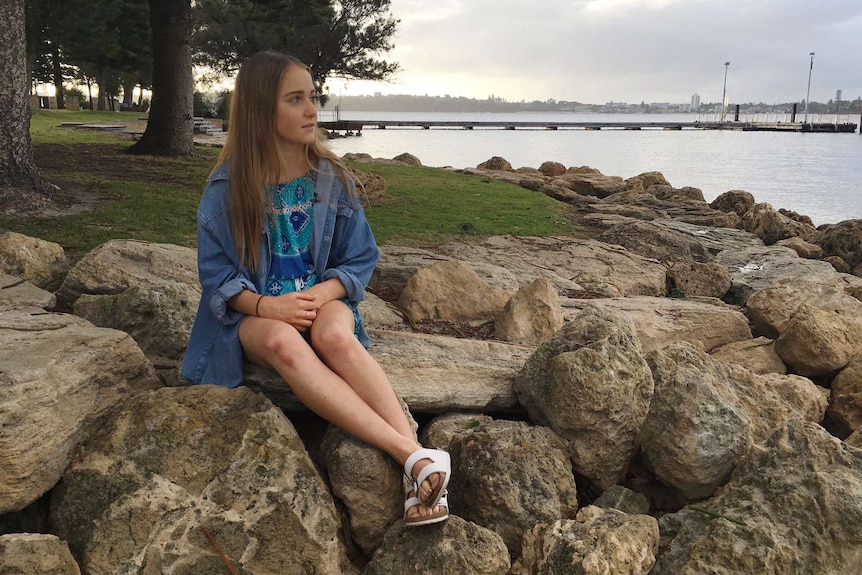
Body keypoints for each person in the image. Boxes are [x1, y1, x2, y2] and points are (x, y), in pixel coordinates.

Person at [181, 51, 450, 526]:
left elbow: (360, 258)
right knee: (285, 343)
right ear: (263, 110)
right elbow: (218, 280)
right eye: (296, 99)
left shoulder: (331, 179)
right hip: (255, 315)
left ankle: (417, 463)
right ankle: (409, 453)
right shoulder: (227, 189)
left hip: (323, 301)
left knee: (333, 336)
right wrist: (269, 306)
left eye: (313, 97)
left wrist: (325, 294)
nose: (312, 110)